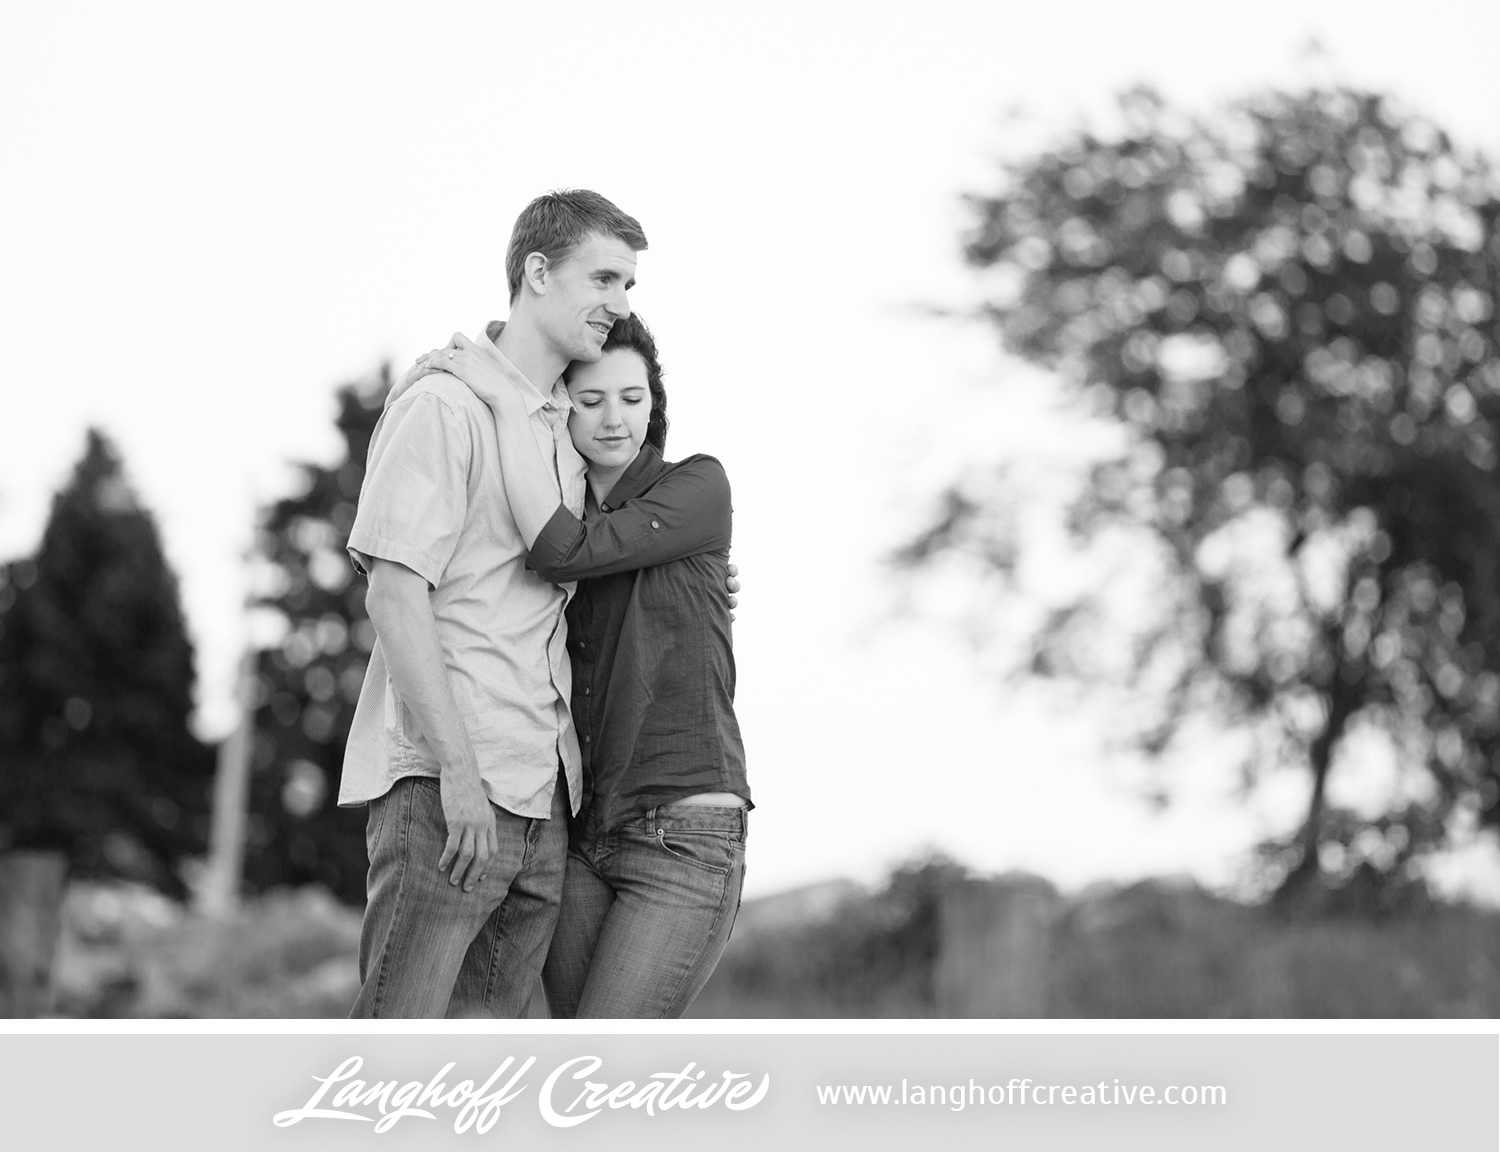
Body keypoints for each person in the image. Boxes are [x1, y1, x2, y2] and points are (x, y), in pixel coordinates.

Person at [338, 189, 649, 1018]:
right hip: (452, 794)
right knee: (392, 1069)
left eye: (629, 286)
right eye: (605, 279)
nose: (620, 306)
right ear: (537, 272)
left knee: (482, 1087)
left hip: (542, 798)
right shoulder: (443, 406)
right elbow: (395, 594)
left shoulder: (564, 430)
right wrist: (459, 779)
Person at [419, 313, 750, 1018]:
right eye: (590, 399)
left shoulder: (698, 487)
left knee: (602, 1066)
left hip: (684, 835)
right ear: (560, 404)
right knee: (580, 1085)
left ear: (654, 403)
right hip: (582, 833)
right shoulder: (554, 509)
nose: (613, 419)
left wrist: (507, 402)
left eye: (632, 398)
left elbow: (565, 550)